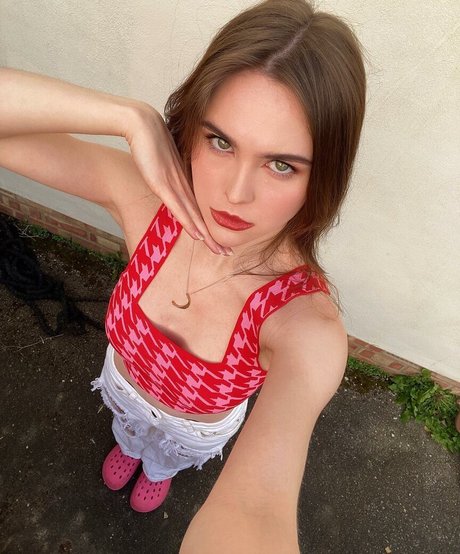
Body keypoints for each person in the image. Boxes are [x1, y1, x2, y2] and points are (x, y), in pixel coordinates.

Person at [0, 0, 366, 551]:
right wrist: (128, 117)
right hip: (125, 389)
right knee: (129, 431)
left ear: (323, 178)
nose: (235, 193)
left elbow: (254, 511)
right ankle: (131, 445)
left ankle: (161, 468)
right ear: (191, 129)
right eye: (221, 141)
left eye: (281, 164)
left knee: (165, 455)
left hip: (192, 428)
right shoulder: (149, 202)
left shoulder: (302, 326)